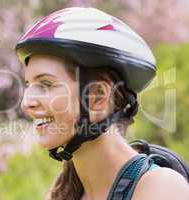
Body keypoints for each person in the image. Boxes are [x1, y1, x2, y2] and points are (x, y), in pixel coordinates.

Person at [15, 7, 189, 200]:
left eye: (45, 84)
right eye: (29, 85)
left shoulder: (160, 189)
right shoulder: (60, 194)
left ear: (97, 97)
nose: (26, 103)